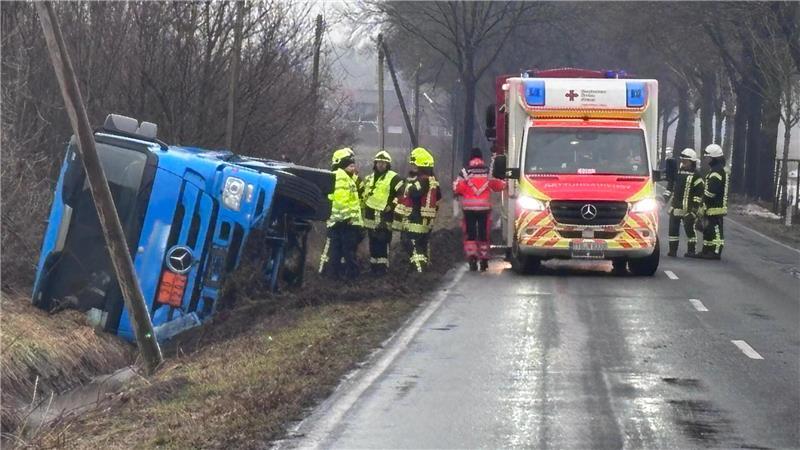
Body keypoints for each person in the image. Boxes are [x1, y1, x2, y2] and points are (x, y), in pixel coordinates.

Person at [453, 148, 506, 271]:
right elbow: (497, 185)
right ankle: (483, 259)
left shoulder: (465, 172)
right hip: (484, 209)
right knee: (483, 233)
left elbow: (457, 187)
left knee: (470, 234)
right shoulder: (487, 172)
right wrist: (506, 184)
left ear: (471, 158)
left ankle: (472, 258)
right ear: (481, 158)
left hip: (469, 209)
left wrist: (464, 191)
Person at [319, 147, 363, 279]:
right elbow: (340, 202)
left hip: (343, 223)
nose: (353, 165)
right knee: (347, 254)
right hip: (345, 224)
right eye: (349, 163)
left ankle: (334, 278)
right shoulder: (341, 177)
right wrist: (346, 219)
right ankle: (349, 279)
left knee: (337, 253)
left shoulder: (346, 177)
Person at [394, 147, 441, 273]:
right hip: (423, 220)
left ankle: (419, 270)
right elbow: (438, 198)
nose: (412, 167)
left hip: (416, 220)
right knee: (420, 246)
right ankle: (421, 268)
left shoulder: (423, 180)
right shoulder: (432, 180)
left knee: (412, 244)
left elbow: (414, 192)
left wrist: (407, 186)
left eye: (414, 164)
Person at [361, 150, 403, 275]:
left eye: (384, 163)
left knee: (383, 240)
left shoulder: (393, 177)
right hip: (370, 215)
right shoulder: (369, 178)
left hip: (385, 215)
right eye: (379, 162)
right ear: (375, 163)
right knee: (373, 241)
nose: (381, 165)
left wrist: (392, 205)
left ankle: (383, 268)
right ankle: (373, 267)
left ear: (388, 164)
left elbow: (402, 194)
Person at [691, 143, 729, 260]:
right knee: (708, 230)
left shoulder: (717, 172)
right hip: (711, 207)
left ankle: (716, 252)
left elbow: (711, 192)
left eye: (708, 157)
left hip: (715, 208)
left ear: (713, 158)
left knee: (716, 230)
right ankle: (706, 250)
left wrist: (703, 202)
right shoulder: (716, 170)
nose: (706, 159)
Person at [664, 148, 704, 257]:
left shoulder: (697, 176)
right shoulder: (678, 173)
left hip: (688, 209)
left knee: (690, 230)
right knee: (673, 230)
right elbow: (671, 186)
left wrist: (694, 209)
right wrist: (664, 198)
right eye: (682, 161)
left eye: (685, 161)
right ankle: (673, 251)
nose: (683, 163)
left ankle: (691, 251)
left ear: (692, 162)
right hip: (676, 207)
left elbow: (698, 193)